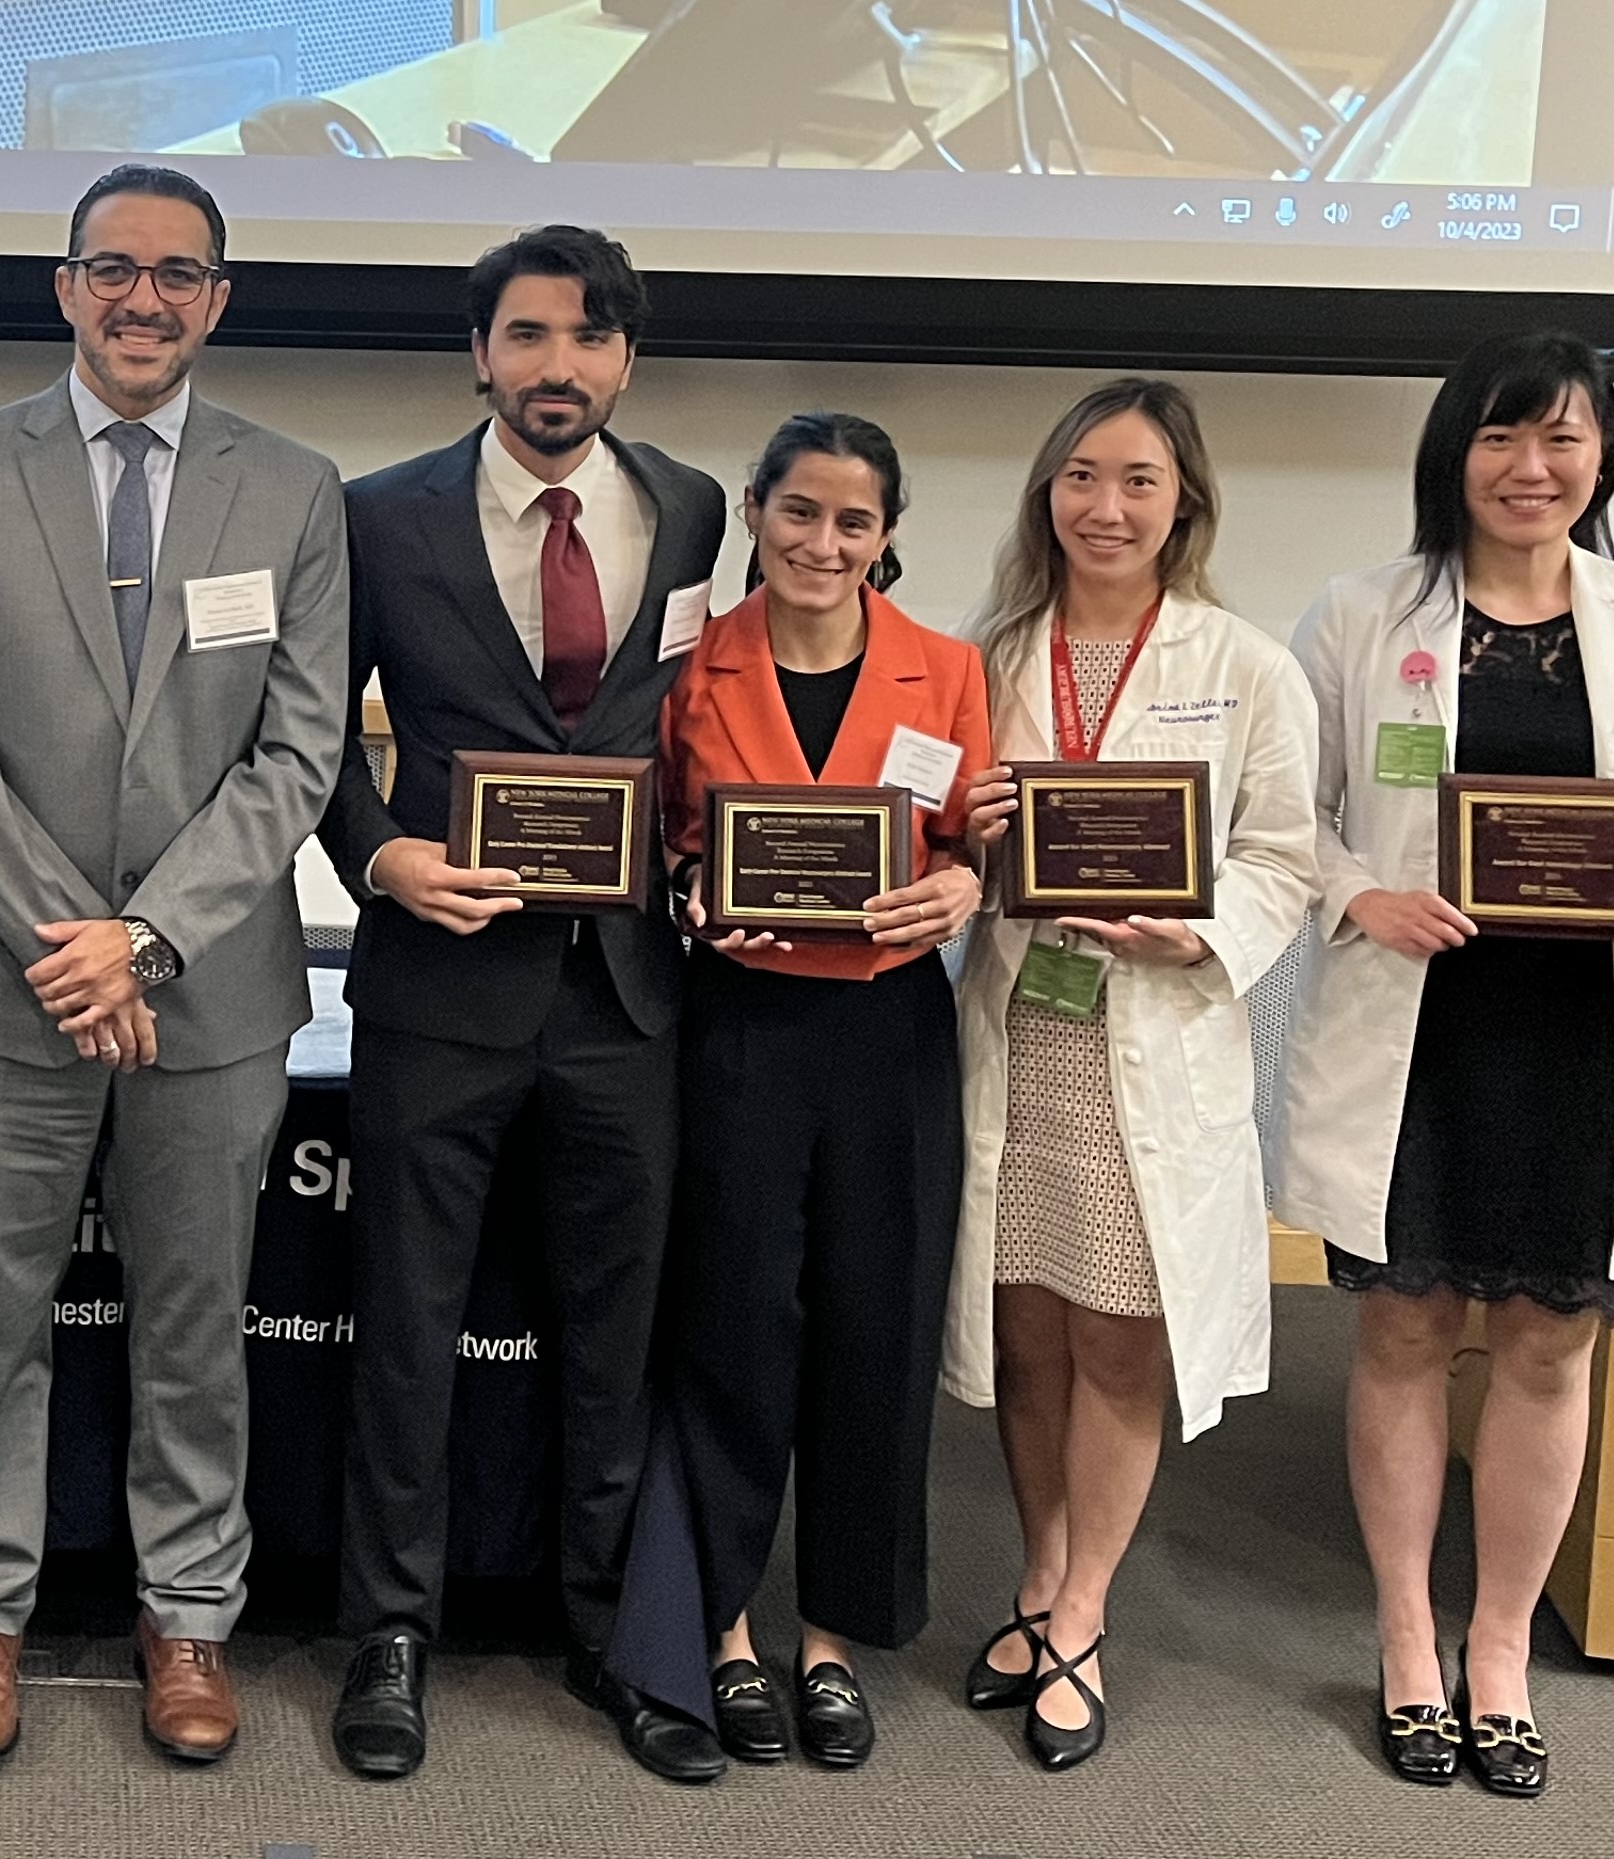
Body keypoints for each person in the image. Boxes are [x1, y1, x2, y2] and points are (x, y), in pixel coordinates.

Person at [0, 163, 352, 1770]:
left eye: (178, 275)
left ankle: (191, 1616)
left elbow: (298, 756)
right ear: (63, 287)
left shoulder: (295, 490)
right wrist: (72, 946)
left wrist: (147, 941)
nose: (144, 299)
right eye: (113, 269)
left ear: (218, 300)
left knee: (195, 1318)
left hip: (210, 989)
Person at [314, 225, 724, 1781]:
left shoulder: (692, 509)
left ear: (626, 358)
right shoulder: (378, 517)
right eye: (532, 336)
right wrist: (382, 858)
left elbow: (696, 722)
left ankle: (617, 1630)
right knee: (408, 1327)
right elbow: (318, 737)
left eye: (593, 338)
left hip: (626, 990)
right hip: (440, 985)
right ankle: (388, 1637)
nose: (564, 367)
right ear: (478, 354)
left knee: (618, 1333)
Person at [1282, 331, 1614, 1800]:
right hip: (1426, 1028)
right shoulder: (1358, 615)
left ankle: (1503, 1651)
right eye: (1501, 438)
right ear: (1453, 450)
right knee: (1406, 1330)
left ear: (1601, 461)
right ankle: (1409, 1638)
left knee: (1547, 1341)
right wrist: (1362, 895)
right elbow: (1295, 819)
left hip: (1586, 1035)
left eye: (1564, 442)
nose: (1532, 469)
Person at [940, 379, 1317, 1770]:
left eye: (1140, 481)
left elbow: (1285, 858)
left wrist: (1194, 926)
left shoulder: (1247, 664)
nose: (1107, 507)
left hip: (1148, 1042)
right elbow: (931, 843)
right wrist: (964, 828)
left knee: (1119, 1333)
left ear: (1184, 504)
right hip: (1021, 1036)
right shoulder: (984, 658)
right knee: (1024, 1327)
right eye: (1084, 477)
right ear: (1049, 492)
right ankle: (1038, 1576)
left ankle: (1086, 1613)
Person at [615, 412, 991, 1784]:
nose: (822, 544)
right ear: (756, 517)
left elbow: (965, 851)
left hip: (889, 1030)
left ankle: (832, 1636)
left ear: (887, 536)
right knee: (729, 1323)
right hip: (737, 1029)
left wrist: (962, 886)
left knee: (873, 1327)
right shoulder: (686, 666)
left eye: (854, 522)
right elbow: (656, 843)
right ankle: (717, 1625)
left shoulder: (946, 672)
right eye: (798, 514)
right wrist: (693, 894)